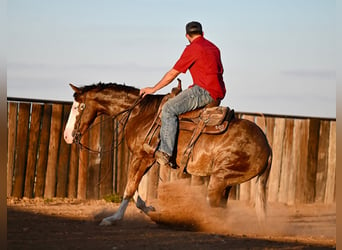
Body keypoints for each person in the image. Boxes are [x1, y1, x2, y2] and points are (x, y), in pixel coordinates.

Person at [139, 21, 226, 169]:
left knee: (168, 109)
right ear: (203, 33)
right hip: (218, 92)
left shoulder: (193, 48)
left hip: (204, 91)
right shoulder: (214, 48)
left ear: (187, 36)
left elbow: (173, 73)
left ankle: (165, 152)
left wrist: (153, 89)